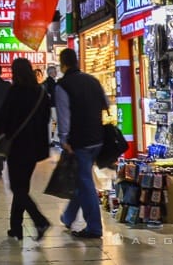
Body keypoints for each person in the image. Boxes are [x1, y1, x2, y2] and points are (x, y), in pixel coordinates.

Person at [0, 58, 51, 241]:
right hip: (34, 148)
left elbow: (3, 119)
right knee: (22, 187)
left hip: (17, 147)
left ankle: (40, 220)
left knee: (17, 187)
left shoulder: (14, 92)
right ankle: (15, 228)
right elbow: (45, 119)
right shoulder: (41, 93)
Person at [55, 48, 109, 239]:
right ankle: (68, 217)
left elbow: (64, 117)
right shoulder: (93, 80)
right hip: (98, 138)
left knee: (85, 182)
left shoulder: (63, 86)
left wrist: (64, 140)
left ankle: (94, 227)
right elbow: (106, 104)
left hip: (80, 142)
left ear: (63, 65)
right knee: (82, 178)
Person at [43, 65, 60, 146]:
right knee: (57, 121)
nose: (56, 73)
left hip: (46, 106)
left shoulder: (44, 83)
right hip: (53, 105)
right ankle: (56, 138)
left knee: (49, 123)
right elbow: (55, 95)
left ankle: (49, 141)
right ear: (51, 73)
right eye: (55, 71)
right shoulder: (53, 83)